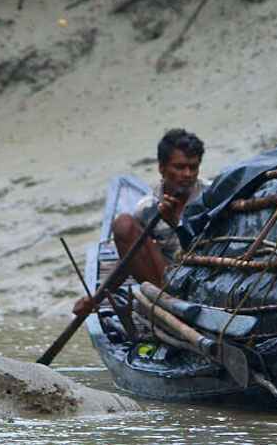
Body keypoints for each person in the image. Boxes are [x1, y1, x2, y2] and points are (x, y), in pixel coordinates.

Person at [72, 128, 205, 317]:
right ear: (162, 168)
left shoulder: (213, 197)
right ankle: (168, 308)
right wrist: (96, 298)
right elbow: (130, 258)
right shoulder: (147, 209)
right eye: (180, 167)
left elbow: (206, 250)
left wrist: (175, 223)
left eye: (193, 167)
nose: (187, 174)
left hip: (208, 280)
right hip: (171, 288)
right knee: (124, 225)